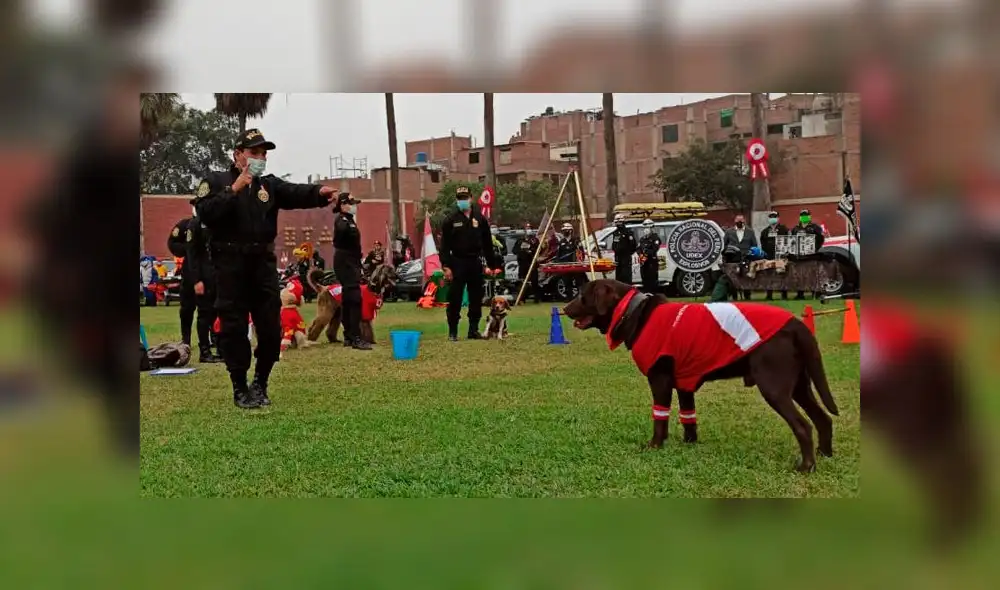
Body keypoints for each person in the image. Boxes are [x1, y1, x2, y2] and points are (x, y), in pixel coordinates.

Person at [196, 128, 338, 409]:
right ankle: (239, 387)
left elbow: (295, 193)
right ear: (238, 155)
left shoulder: (268, 186)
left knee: (272, 328)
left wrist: (320, 193)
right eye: (254, 153)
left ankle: (260, 383)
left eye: (264, 154)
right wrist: (234, 188)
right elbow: (206, 212)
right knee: (234, 328)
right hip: (229, 264)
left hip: (262, 264)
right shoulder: (215, 181)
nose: (260, 158)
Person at [439, 185, 503, 341]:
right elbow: (444, 246)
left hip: (475, 262)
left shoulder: (480, 219)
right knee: (455, 298)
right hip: (457, 262)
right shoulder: (450, 220)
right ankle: (452, 332)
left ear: (471, 199)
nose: (463, 202)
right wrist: (446, 266)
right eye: (460, 199)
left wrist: (492, 265)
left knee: (476, 298)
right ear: (456, 200)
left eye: (465, 198)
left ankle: (473, 330)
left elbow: (487, 244)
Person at [167, 210, 222, 363]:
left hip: (209, 274)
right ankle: (186, 340)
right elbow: (172, 243)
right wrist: (189, 248)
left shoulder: (214, 225)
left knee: (210, 311)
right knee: (187, 309)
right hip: (191, 273)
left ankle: (214, 343)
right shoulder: (187, 225)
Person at [333, 193, 373, 351]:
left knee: (349, 299)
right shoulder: (342, 220)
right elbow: (340, 234)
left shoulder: (349, 220)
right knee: (354, 299)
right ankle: (355, 337)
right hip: (346, 262)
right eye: (351, 203)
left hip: (351, 261)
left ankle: (349, 336)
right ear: (343, 205)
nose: (354, 206)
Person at [790, 208, 825, 299]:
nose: (804, 217)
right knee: (800, 276)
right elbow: (792, 241)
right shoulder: (795, 228)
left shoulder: (815, 228)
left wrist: (815, 248)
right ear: (800, 217)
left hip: (812, 256)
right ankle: (800, 294)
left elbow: (821, 239)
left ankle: (816, 293)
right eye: (802, 216)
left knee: (813, 275)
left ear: (809, 216)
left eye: (806, 215)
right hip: (799, 257)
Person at [723, 214, 758, 300]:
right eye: (737, 221)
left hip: (746, 257)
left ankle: (747, 295)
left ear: (744, 222)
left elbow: (754, 245)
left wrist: (751, 254)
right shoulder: (729, 232)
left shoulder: (750, 231)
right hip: (732, 258)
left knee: (746, 277)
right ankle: (734, 295)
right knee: (733, 277)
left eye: (741, 221)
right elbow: (724, 244)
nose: (739, 223)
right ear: (735, 222)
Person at [759, 211, 790, 301]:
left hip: (781, 257)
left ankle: (784, 295)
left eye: (774, 216)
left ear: (778, 218)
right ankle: (769, 295)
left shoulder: (784, 229)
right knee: (769, 276)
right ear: (769, 219)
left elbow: (788, 241)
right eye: (771, 217)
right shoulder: (765, 231)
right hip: (769, 257)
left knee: (782, 276)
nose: (773, 218)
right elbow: (763, 244)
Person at [513, 223, 541, 302]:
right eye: (526, 228)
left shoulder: (535, 240)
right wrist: (521, 250)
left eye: (529, 228)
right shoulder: (520, 240)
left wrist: (531, 250)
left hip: (532, 264)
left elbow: (539, 250)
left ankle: (536, 298)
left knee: (534, 281)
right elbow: (514, 250)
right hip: (522, 264)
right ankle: (522, 298)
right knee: (522, 282)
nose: (528, 229)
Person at [610, 213, 637, 285]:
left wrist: (627, 253)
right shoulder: (615, 233)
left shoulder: (628, 232)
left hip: (626, 258)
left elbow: (633, 245)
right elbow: (614, 244)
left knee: (626, 277)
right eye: (616, 222)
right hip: (618, 258)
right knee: (618, 278)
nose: (618, 224)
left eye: (619, 222)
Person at [637, 218, 660, 294]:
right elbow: (638, 248)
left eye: (648, 228)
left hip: (651, 262)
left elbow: (654, 249)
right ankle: (646, 293)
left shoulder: (655, 238)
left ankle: (653, 294)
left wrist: (646, 254)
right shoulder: (642, 239)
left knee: (652, 279)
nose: (646, 230)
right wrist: (641, 255)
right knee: (644, 278)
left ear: (651, 228)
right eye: (645, 228)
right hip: (644, 263)